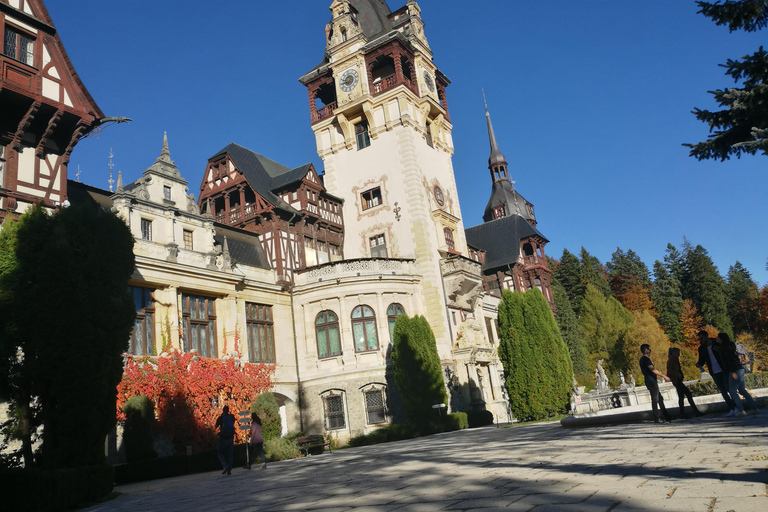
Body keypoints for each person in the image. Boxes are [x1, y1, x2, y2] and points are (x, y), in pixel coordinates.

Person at [717, 332, 758, 417]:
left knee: (732, 391)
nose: (716, 339)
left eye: (718, 337)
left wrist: (732, 372)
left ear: (721, 339)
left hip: (734, 370)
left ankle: (740, 410)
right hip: (740, 369)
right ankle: (754, 408)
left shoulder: (724, 348)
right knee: (742, 390)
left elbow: (729, 360)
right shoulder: (731, 346)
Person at [695, 330, 736, 414]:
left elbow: (728, 349)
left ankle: (737, 406)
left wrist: (720, 349)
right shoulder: (702, 348)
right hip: (714, 372)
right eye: (699, 339)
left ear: (706, 336)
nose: (700, 340)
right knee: (723, 391)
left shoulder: (716, 342)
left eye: (701, 338)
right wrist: (699, 364)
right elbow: (702, 360)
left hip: (724, 369)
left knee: (729, 389)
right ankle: (732, 408)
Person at [666, 347, 703, 419]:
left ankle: (682, 413)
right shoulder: (671, 360)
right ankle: (695, 411)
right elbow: (669, 371)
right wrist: (677, 374)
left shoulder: (674, 359)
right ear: (673, 353)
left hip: (677, 380)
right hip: (676, 380)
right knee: (688, 394)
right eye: (677, 353)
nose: (678, 355)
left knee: (681, 396)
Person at [639, 344, 672, 423]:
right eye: (649, 349)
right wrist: (664, 376)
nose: (650, 350)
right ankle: (657, 418)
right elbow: (652, 369)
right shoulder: (646, 359)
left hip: (649, 380)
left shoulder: (642, 359)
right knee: (655, 399)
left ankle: (667, 416)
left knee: (659, 399)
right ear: (646, 350)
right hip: (651, 381)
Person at [215, 405, 236, 475]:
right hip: (230, 437)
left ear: (223, 410)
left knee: (220, 452)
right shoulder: (231, 417)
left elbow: (216, 426)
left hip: (223, 438)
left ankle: (225, 465)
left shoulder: (221, 418)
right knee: (230, 454)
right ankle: (229, 469)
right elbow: (233, 422)